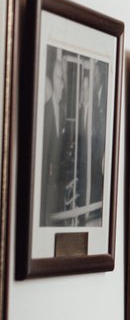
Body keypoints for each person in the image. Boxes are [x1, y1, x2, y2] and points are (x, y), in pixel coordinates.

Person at [40, 51, 69, 225]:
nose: (63, 84)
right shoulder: (46, 111)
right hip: (47, 185)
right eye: (59, 78)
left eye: (63, 79)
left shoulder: (62, 111)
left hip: (58, 184)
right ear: (51, 79)